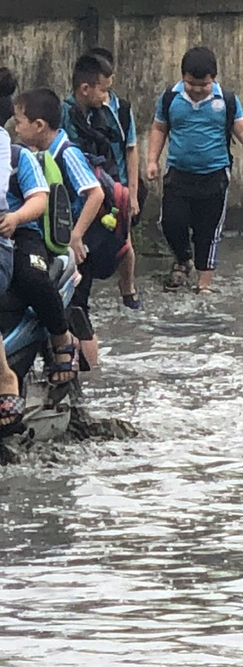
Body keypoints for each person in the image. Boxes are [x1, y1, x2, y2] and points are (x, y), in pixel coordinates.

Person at [144, 46, 243, 294]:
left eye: (203, 85)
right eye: (191, 84)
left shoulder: (226, 100)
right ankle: (183, 259)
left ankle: (203, 285)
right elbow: (159, 128)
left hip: (215, 175)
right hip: (178, 173)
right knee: (170, 223)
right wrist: (152, 160)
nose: (197, 89)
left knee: (208, 231)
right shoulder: (170, 98)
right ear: (183, 77)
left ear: (213, 79)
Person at [11, 88, 114, 370]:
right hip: (58, 240)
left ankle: (89, 374)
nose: (16, 129)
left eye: (19, 122)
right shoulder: (39, 154)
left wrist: (76, 237)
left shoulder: (67, 154)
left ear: (39, 125)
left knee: (78, 312)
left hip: (77, 244)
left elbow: (95, 194)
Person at [0, 71, 65, 421]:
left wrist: (16, 218)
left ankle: (60, 337)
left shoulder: (17, 158)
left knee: (33, 278)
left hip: (22, 233)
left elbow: (39, 198)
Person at [63, 53, 140, 310]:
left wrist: (130, 193)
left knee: (122, 241)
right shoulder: (66, 114)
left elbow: (125, 147)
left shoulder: (111, 112)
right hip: (78, 194)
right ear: (85, 89)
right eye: (103, 90)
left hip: (109, 188)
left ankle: (128, 291)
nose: (106, 96)